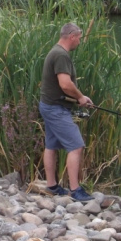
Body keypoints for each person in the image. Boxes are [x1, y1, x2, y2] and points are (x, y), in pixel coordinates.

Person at [39, 23, 94, 202]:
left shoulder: (55, 51)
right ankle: (75, 190)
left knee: (51, 146)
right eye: (79, 37)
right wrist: (80, 98)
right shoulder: (61, 55)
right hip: (55, 109)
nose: (79, 41)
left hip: (49, 106)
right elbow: (65, 84)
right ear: (72, 36)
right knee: (76, 146)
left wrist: (79, 98)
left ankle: (52, 186)